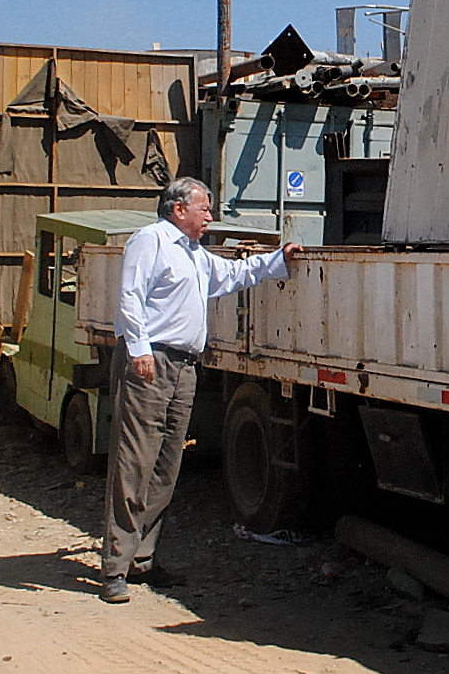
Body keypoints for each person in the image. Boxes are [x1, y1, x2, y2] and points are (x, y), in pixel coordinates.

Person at [102, 176, 303, 603]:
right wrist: (138, 349)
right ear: (179, 210)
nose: (210, 215)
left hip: (184, 367)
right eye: (205, 208)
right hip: (150, 362)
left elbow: (231, 275)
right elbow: (130, 296)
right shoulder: (150, 241)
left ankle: (143, 561)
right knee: (134, 462)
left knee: (166, 466)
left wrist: (276, 260)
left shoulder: (194, 254)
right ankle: (115, 568)